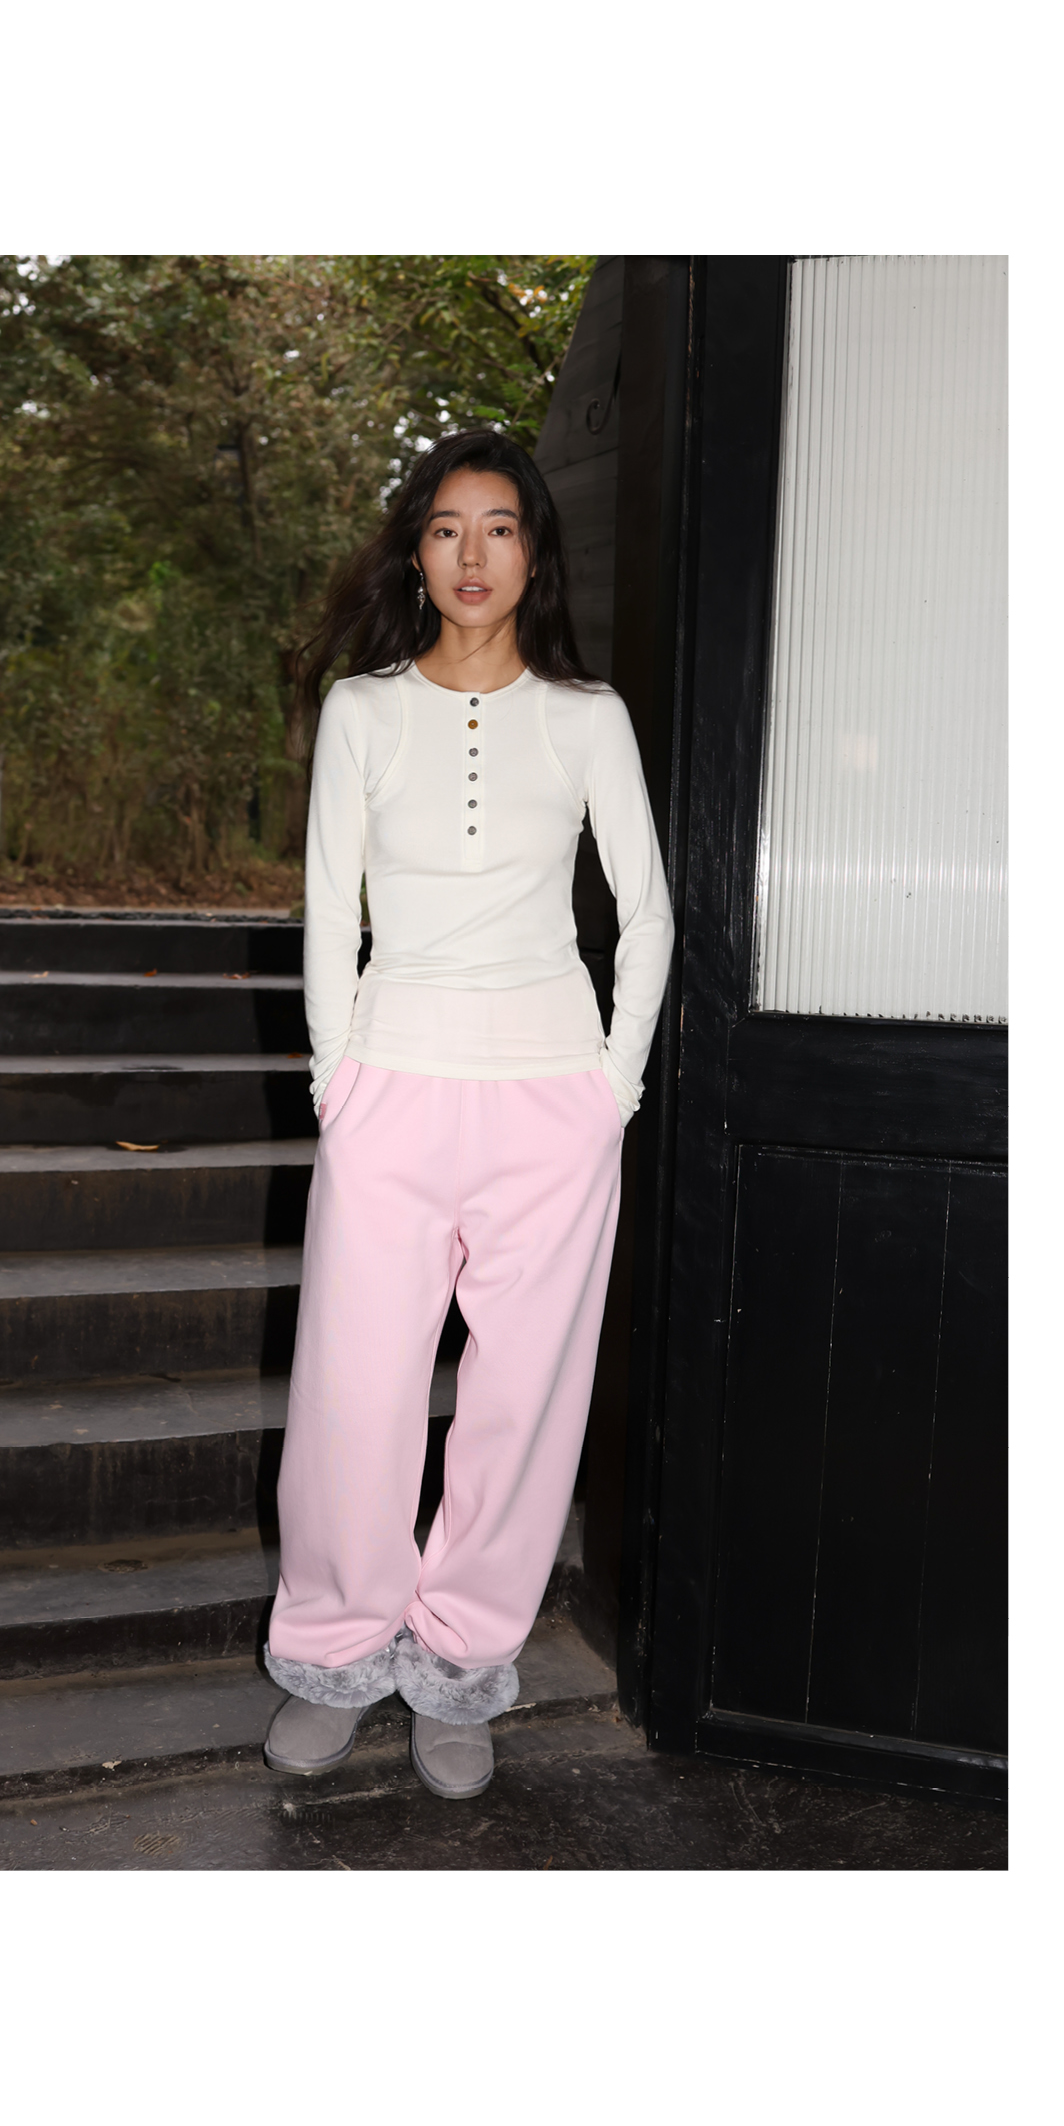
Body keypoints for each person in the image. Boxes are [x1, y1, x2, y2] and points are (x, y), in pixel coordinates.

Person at [261, 427, 674, 1799]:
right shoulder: (365, 711)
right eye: (447, 529)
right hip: (393, 1085)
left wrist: (612, 1086)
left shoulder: (587, 716)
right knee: (354, 1393)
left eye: (500, 527)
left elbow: (649, 913)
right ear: (417, 553)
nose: (473, 554)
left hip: (551, 1102)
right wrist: (337, 1078)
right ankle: (334, 1652)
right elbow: (330, 905)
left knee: (521, 1407)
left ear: (535, 553)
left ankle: (457, 1668)